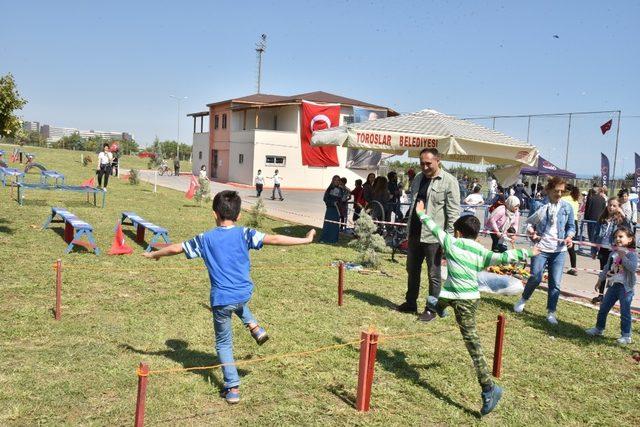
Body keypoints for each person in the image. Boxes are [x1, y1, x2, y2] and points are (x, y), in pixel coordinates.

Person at [143, 190, 315, 403]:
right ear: (239, 215)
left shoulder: (204, 239)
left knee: (224, 343)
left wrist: (154, 254)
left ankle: (232, 387)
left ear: (214, 213)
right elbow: (276, 238)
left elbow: (176, 248)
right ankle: (254, 326)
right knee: (238, 302)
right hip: (244, 293)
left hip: (222, 299)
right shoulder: (245, 234)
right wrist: (305, 240)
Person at [414, 200, 537, 415]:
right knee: (439, 298)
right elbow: (504, 257)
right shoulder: (481, 251)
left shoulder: (451, 243)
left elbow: (433, 228)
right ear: (476, 235)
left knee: (473, 344)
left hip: (461, 301)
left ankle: (490, 388)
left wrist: (421, 214)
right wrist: (528, 253)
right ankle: (439, 305)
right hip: (467, 296)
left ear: (459, 233)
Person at [396, 148, 461, 319]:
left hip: (434, 238)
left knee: (434, 275)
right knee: (412, 270)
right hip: (415, 234)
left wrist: (448, 239)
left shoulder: (449, 181)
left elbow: (453, 214)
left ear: (438, 161)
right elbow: (414, 205)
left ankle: (431, 309)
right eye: (421, 163)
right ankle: (410, 303)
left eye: (428, 163)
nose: (424, 167)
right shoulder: (418, 178)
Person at [513, 177, 576, 324]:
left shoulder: (567, 207)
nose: (559, 194)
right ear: (548, 190)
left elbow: (571, 227)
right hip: (540, 247)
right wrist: (531, 232)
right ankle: (523, 299)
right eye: (556, 191)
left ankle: (551, 312)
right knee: (536, 276)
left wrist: (569, 237)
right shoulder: (538, 204)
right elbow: (529, 224)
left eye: (562, 191)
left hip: (559, 251)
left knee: (555, 282)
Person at [585, 226, 637, 345]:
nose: (617, 239)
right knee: (603, 308)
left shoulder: (631, 254)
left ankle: (626, 335)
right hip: (613, 285)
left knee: (625, 311)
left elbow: (633, 268)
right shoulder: (613, 252)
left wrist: (623, 256)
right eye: (616, 237)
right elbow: (606, 268)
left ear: (629, 239)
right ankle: (599, 328)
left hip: (625, 288)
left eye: (621, 236)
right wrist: (600, 279)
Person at [591, 197, 631, 304]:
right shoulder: (602, 218)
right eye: (610, 205)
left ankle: (609, 296)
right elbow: (595, 235)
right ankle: (600, 295)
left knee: (612, 273)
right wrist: (593, 250)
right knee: (603, 272)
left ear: (618, 207)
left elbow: (629, 229)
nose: (611, 207)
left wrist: (623, 215)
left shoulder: (620, 220)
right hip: (603, 249)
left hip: (614, 250)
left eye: (614, 205)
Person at [561, 185, 582, 276]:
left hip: (566, 222)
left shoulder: (564, 198)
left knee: (559, 245)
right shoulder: (575, 200)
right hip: (575, 223)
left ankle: (551, 265)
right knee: (571, 248)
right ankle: (574, 267)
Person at [320, 175, 342, 243]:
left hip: (337, 210)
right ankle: (324, 239)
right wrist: (332, 203)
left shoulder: (340, 189)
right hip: (330, 209)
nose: (337, 181)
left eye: (338, 180)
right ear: (332, 181)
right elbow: (325, 198)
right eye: (335, 180)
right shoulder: (329, 189)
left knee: (335, 225)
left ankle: (334, 240)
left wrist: (338, 202)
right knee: (328, 224)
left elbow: (341, 199)